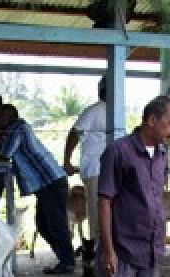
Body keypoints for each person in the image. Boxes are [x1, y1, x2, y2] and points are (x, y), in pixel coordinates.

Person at [95, 96, 170, 277]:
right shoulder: (118, 152)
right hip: (121, 249)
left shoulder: (163, 154)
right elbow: (105, 201)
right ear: (151, 120)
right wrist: (108, 250)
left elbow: (156, 197)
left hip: (152, 249)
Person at [0, 104, 76, 275]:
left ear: (9, 117)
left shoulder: (18, 129)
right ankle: (65, 260)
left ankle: (67, 263)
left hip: (50, 182)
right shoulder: (17, 129)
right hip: (47, 183)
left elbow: (5, 155)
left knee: (55, 225)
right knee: (45, 225)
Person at [63, 76, 108, 260]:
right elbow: (75, 132)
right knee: (98, 218)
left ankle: (106, 259)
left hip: (109, 171)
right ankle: (98, 265)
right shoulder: (95, 111)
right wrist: (67, 160)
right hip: (95, 170)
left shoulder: (115, 110)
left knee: (108, 218)